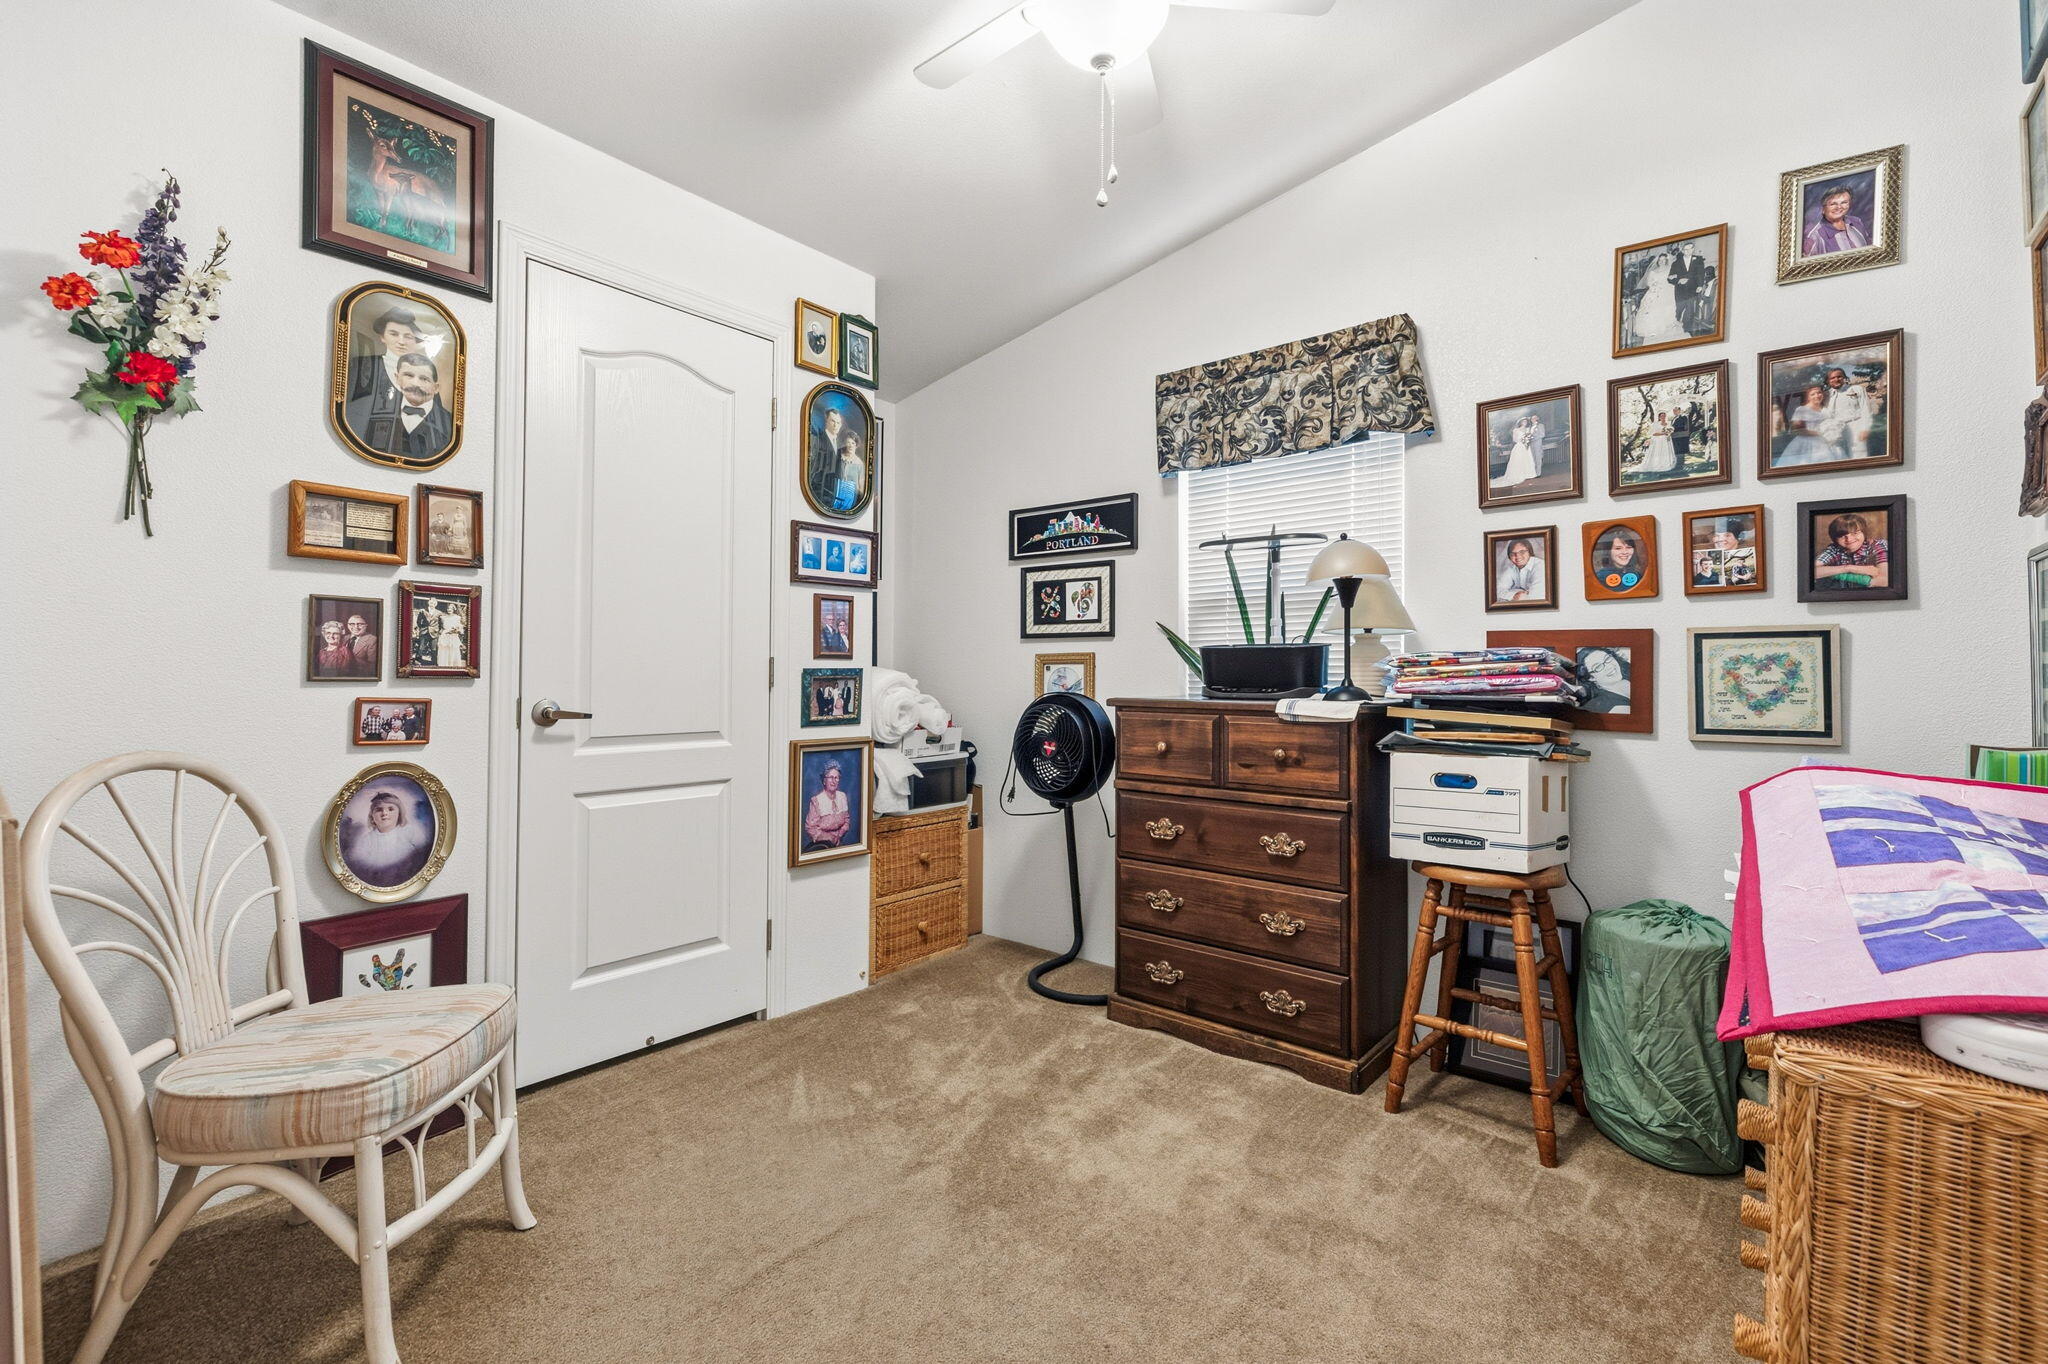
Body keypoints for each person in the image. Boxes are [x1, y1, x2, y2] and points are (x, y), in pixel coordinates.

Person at [344, 352, 452, 462]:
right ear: (397, 378)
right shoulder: (368, 412)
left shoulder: (449, 423)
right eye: (409, 375)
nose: (415, 384)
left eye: (424, 379)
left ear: (436, 387)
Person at [343, 788, 432, 886]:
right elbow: (359, 861)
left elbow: (423, 852)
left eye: (390, 809)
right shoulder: (367, 840)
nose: (384, 813)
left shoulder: (409, 831)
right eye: (379, 810)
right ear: (372, 816)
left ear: (399, 813)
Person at [348, 306, 423, 404]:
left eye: (407, 336)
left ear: (415, 340)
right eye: (394, 334)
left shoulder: (425, 373)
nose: (401, 342)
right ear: (382, 337)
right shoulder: (364, 365)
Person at [1812, 512, 1889, 590]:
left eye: (1855, 533)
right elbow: (1810, 572)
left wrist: (1832, 572)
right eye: (1842, 536)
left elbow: (1884, 581)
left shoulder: (1878, 545)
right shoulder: (1834, 549)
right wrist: (1849, 568)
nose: (1849, 539)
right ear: (1835, 539)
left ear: (1864, 533)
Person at [1775, 385, 1836, 467]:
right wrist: (1820, 433)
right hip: (1806, 442)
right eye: (1813, 394)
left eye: (1819, 393)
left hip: (1826, 441)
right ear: (1808, 397)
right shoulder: (1802, 410)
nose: (1817, 396)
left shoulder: (1826, 410)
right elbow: (1796, 430)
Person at [1632, 250, 1682, 346]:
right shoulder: (1653, 272)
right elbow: (1649, 282)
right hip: (1655, 290)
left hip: (1667, 290)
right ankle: (1652, 328)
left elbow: (1673, 278)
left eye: (1664, 260)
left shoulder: (1670, 269)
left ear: (1666, 261)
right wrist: (1653, 285)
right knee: (1652, 307)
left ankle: (1667, 326)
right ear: (1658, 261)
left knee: (1666, 307)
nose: (1662, 262)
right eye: (1660, 260)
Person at [1803, 185, 1870, 257]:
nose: (1839, 207)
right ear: (1823, 209)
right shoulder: (1815, 237)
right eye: (1833, 204)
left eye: (1844, 202)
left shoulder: (1857, 222)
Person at [1823, 366, 1873, 461]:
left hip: (1855, 424)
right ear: (1828, 381)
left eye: (1839, 376)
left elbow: (1866, 410)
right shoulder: (1826, 395)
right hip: (1836, 429)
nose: (1836, 379)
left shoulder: (1856, 389)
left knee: (1858, 453)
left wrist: (1865, 429)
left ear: (1844, 378)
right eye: (1832, 378)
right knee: (1838, 455)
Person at [802, 762, 852, 850]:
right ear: (824, 780)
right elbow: (811, 828)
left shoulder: (842, 796)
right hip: (822, 846)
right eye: (831, 777)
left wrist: (839, 835)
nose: (834, 781)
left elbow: (847, 820)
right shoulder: (816, 801)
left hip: (839, 842)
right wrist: (830, 838)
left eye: (836, 778)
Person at [809, 407, 847, 509]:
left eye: (838, 423)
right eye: (833, 421)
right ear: (826, 420)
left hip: (833, 498)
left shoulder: (839, 446)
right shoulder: (818, 440)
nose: (835, 425)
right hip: (818, 497)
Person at [1577, 647, 1631, 713]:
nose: (1610, 667)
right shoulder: (1611, 707)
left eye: (1607, 658)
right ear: (1591, 677)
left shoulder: (1627, 669)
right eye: (1597, 667)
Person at [1495, 538, 1546, 602]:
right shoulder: (1511, 568)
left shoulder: (1540, 566)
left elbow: (1536, 596)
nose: (1517, 556)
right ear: (1509, 557)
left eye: (1522, 552)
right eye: (1513, 554)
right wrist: (1514, 596)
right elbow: (1496, 591)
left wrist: (1514, 593)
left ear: (1530, 552)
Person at [1494, 414, 1540, 487]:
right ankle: (1518, 474)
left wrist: (1527, 439)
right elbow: (1514, 439)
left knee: (1527, 459)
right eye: (1523, 422)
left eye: (1525, 422)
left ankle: (1528, 474)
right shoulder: (1516, 430)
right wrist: (1522, 439)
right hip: (1519, 446)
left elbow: (1530, 435)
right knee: (1518, 460)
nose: (1524, 423)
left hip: (1526, 447)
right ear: (1520, 422)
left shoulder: (1528, 429)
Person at [832, 431, 866, 512]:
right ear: (845, 443)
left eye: (853, 443)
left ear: (856, 445)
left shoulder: (859, 464)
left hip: (850, 498)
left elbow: (861, 487)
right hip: (835, 493)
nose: (850, 446)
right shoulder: (838, 457)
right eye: (848, 442)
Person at [1639, 410, 1678, 477]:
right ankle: (1657, 464)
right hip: (1658, 441)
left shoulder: (1668, 423)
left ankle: (1666, 463)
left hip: (1667, 440)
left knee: (1666, 452)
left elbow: (1670, 430)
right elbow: (1653, 433)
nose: (1663, 417)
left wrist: (1669, 432)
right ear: (1659, 417)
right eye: (1661, 416)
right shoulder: (1656, 424)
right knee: (1659, 452)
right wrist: (1663, 433)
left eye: (1664, 416)